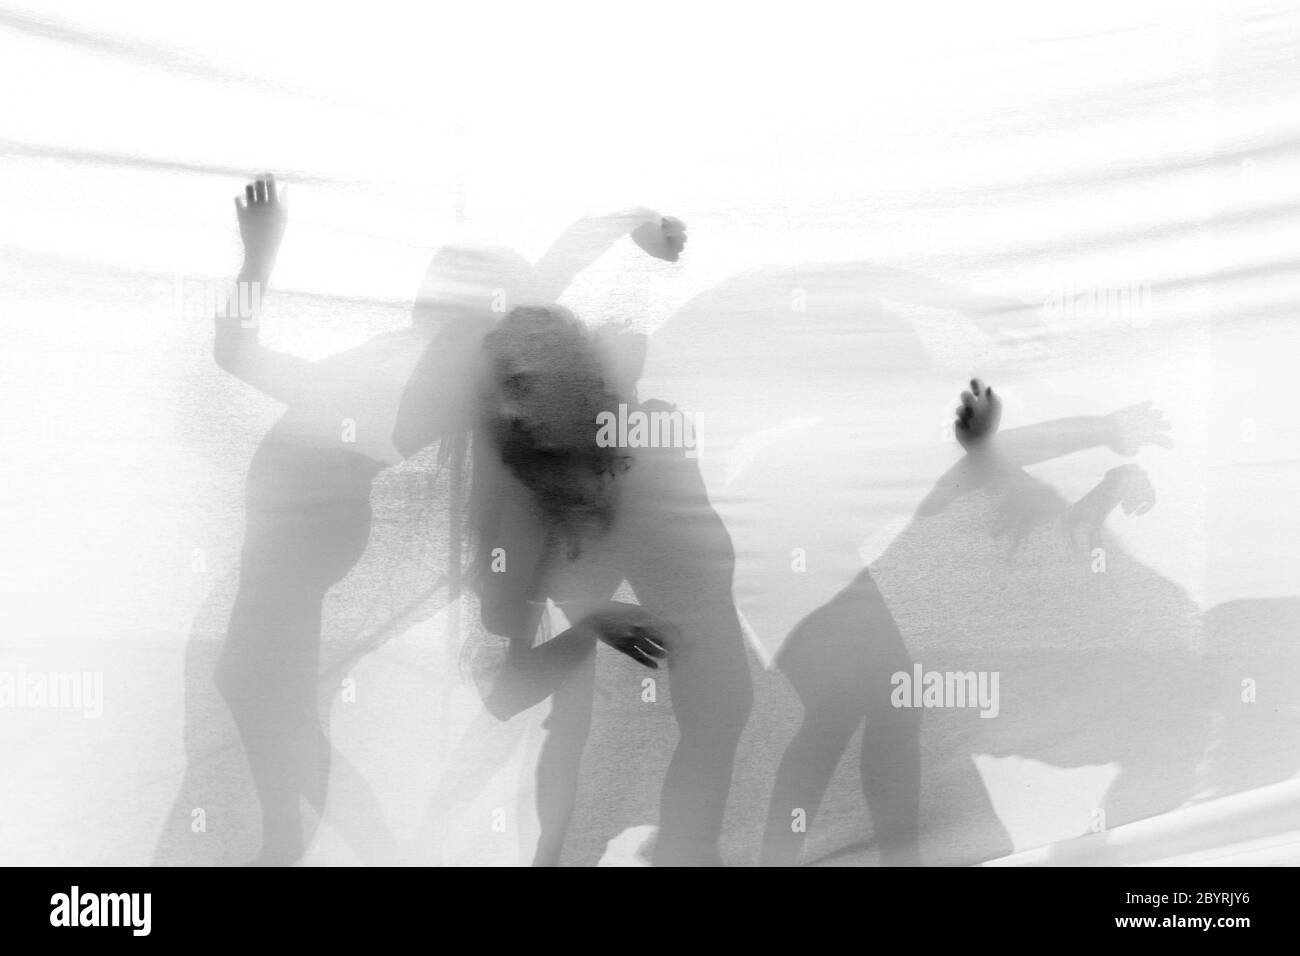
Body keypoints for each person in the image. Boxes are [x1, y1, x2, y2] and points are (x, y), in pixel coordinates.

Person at [209, 174, 686, 864]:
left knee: (258, 694)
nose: (441, 268)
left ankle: (301, 850)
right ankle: (294, 847)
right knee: (264, 699)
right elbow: (234, 354)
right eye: (447, 261)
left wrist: (630, 223)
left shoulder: (462, 362)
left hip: (308, 527)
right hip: (299, 523)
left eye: (466, 268)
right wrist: (258, 255)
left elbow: (550, 274)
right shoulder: (400, 350)